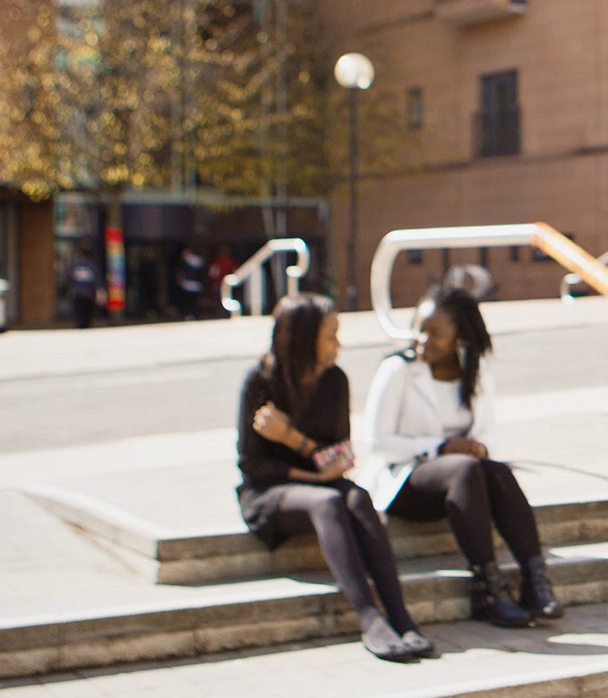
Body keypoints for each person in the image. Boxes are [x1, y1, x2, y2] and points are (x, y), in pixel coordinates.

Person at [237, 293, 432, 662]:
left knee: (358, 497)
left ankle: (401, 616)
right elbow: (253, 466)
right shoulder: (260, 381)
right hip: (268, 493)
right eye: (330, 336)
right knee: (327, 501)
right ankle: (371, 619)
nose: (338, 345)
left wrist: (294, 439)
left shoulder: (335, 380)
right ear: (303, 339)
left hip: (319, 479)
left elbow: (341, 454)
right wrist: (315, 473)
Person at [362, 284, 562, 628]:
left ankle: (534, 578)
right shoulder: (397, 370)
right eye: (419, 329)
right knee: (466, 470)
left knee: (495, 471)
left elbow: (488, 431)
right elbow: (377, 442)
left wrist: (479, 446)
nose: (422, 339)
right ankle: (487, 588)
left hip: (465, 485)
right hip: (404, 481)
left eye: (435, 334)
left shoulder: (476, 370)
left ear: (460, 335)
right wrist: (439, 448)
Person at [172, 244, 211, 320]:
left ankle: (190, 315)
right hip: (195, 286)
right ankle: (194, 315)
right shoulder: (200, 261)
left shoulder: (185, 261)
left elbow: (180, 274)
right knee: (194, 302)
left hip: (188, 285)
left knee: (189, 302)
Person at [66, 248, 102, 329]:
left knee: (79, 313)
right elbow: (97, 280)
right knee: (87, 313)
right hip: (89, 294)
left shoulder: (74, 265)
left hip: (78, 293)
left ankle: (81, 326)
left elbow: (68, 279)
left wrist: (70, 289)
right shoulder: (91, 265)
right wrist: (99, 292)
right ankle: (86, 327)